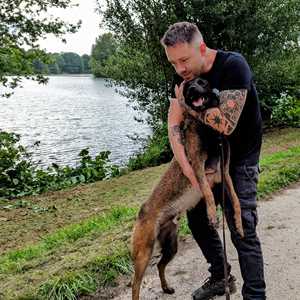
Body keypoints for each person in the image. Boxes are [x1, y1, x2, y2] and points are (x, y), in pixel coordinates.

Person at [160, 22, 266, 300]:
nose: (180, 69)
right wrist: (190, 174)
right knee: (197, 220)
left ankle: (255, 295)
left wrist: (185, 107)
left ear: (202, 48)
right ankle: (220, 277)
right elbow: (174, 132)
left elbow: (227, 124)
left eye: (184, 59)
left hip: (241, 155)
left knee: (241, 225)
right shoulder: (182, 82)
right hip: (208, 157)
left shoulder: (233, 66)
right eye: (173, 63)